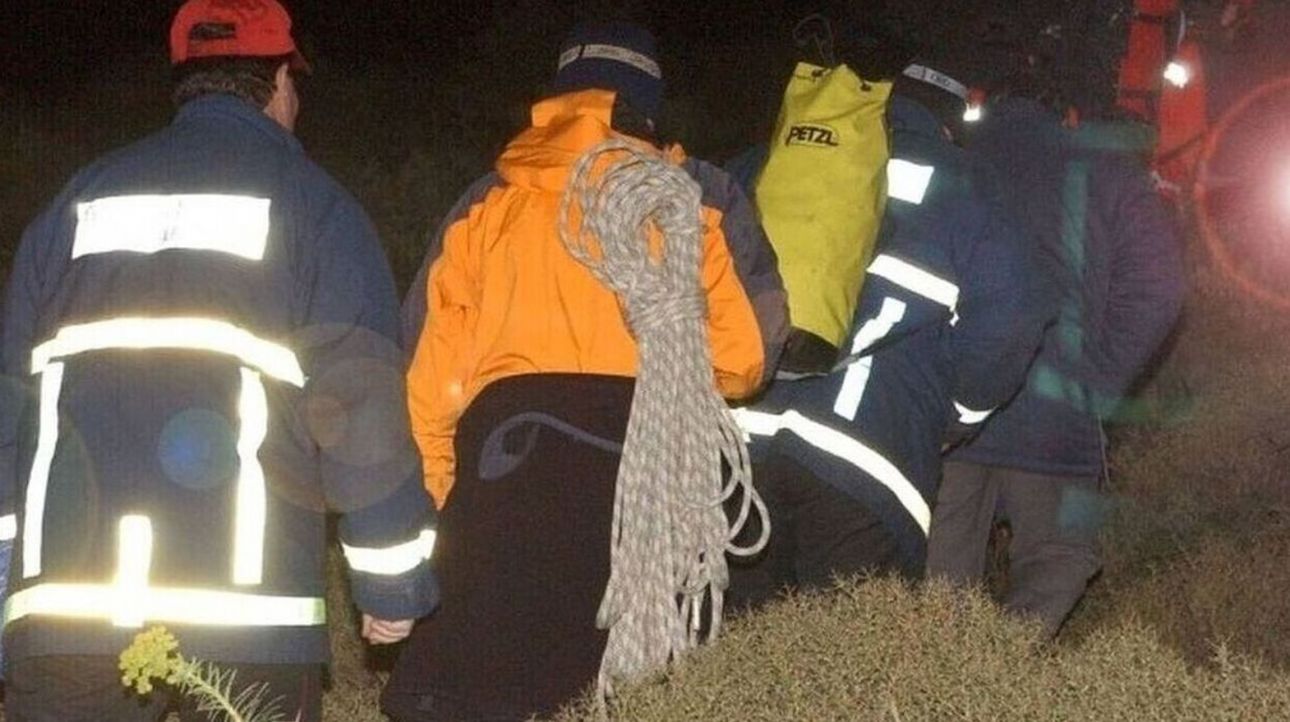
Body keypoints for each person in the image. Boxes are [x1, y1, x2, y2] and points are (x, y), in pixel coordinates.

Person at [0, 1, 440, 719]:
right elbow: (361, 407)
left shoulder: (70, 206)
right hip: (247, 614)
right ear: (280, 83)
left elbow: (9, 413)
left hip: (64, 611)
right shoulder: (315, 207)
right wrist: (392, 580)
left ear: (186, 83)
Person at [384, 20, 787, 722]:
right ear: (647, 107)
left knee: (484, 693)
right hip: (641, 485)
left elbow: (427, 380)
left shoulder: (487, 202)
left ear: (558, 97)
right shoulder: (697, 200)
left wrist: (445, 505)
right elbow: (743, 360)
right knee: (622, 693)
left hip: (504, 476)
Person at [726, 11, 1050, 605]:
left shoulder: (773, 157)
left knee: (731, 647)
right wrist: (959, 415)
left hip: (737, 452)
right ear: (954, 115)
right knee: (842, 658)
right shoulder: (970, 186)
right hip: (867, 469)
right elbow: (1016, 314)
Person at [928, 7, 1186, 640]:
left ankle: (946, 674)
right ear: (1070, 110)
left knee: (937, 592)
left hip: (952, 415)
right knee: (1060, 558)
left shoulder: (951, 159)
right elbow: (1161, 287)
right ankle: (1003, 670)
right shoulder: (1107, 170)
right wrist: (1099, 381)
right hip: (1057, 421)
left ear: (987, 101)